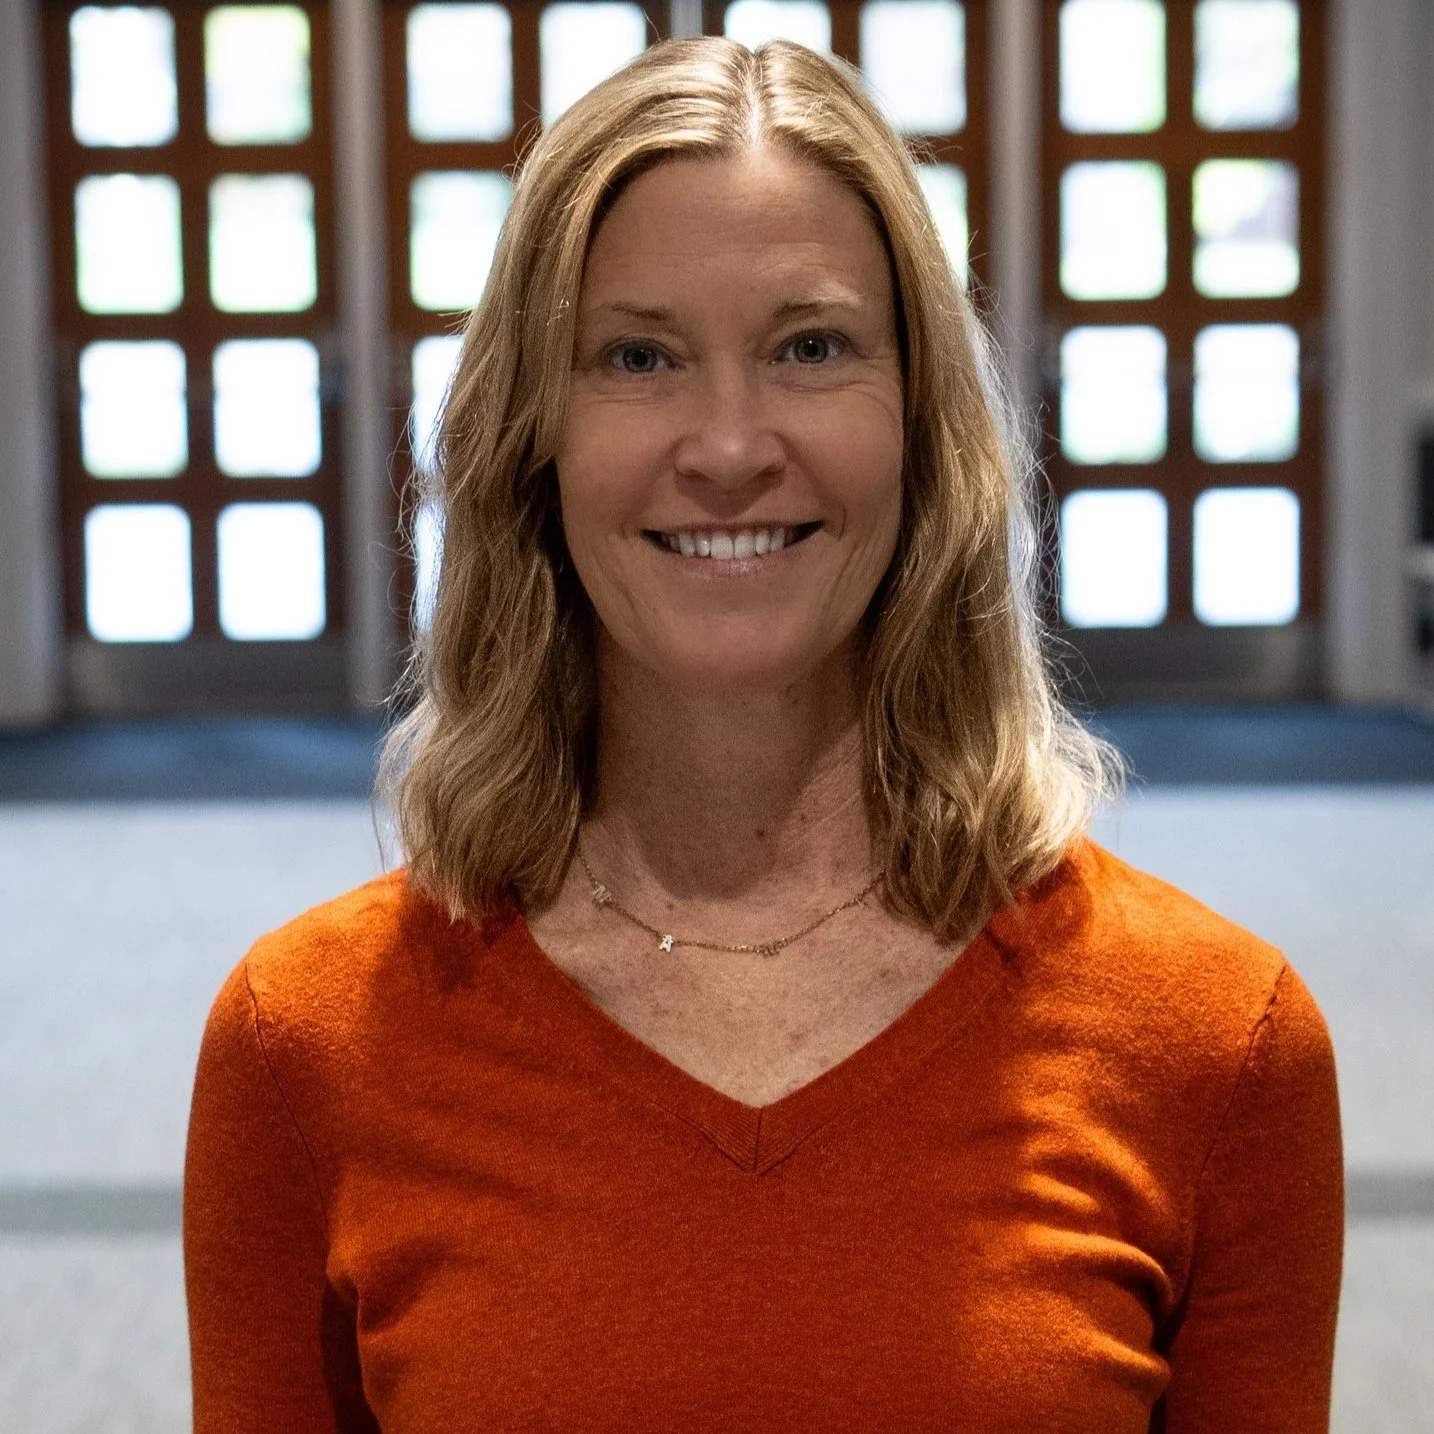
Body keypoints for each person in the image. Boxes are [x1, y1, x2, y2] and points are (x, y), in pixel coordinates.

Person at [182, 35, 1343, 1433]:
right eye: (636, 355)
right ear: (530, 437)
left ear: (922, 423)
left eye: (810, 346)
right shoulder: (306, 1044)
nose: (728, 444)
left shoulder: (1213, 1042)